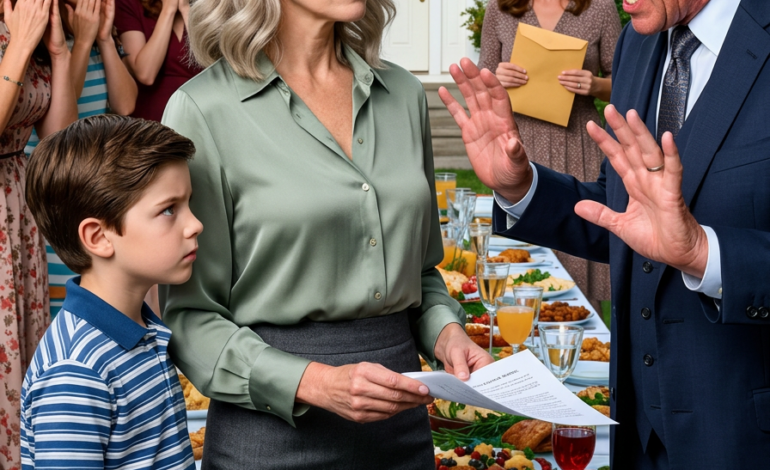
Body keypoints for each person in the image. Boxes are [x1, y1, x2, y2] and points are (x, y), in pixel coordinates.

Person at [160, 0, 491, 467]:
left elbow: (421, 273)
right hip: (269, 438)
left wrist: (447, 334)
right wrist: (313, 382)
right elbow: (190, 318)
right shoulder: (203, 109)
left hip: (402, 432)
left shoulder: (403, 94)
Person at [440, 0, 770, 467]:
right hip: (636, 437)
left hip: (742, 436)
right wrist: (521, 185)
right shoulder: (640, 43)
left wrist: (702, 253)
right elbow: (620, 214)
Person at [20, 115, 201, 469]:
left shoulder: (140, 329)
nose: (195, 224)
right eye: (169, 210)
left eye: (188, 204)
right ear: (98, 237)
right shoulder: (76, 372)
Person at [478, 0, 621, 306]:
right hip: (518, 145)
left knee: (581, 248)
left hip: (579, 146)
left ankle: (581, 344)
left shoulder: (600, 8)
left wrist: (595, 85)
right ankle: (516, 342)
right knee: (518, 266)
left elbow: (627, 83)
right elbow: (480, 84)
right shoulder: (498, 10)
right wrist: (496, 80)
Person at [23, 0, 139, 318]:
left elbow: (126, 103)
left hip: (93, 184)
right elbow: (61, 125)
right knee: (63, 296)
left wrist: (101, 38)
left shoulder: (95, 34)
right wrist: (83, 42)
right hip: (53, 183)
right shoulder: (45, 42)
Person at [0, 0, 77, 467]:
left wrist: (60, 51)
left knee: (21, 353)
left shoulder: (32, 14)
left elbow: (57, 140)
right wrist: (22, 41)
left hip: (18, 207)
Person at [115, 0, 201, 122]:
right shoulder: (129, 4)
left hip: (201, 114)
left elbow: (216, 69)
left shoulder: (210, 5)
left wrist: (186, 10)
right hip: (153, 123)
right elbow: (145, 74)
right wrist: (168, 9)